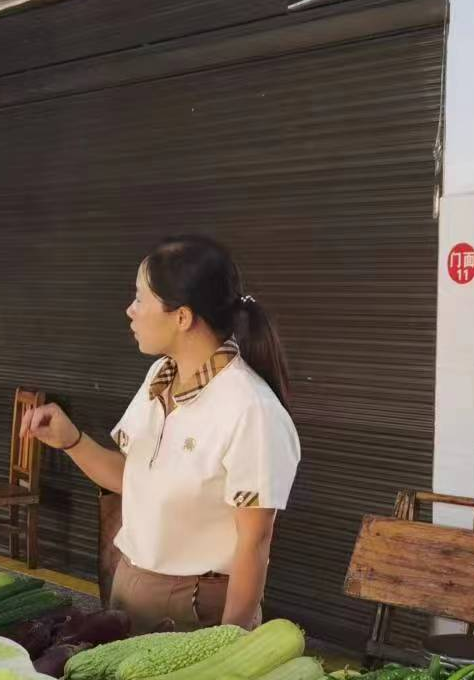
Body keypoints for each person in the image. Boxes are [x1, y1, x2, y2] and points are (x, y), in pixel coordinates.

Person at [21, 236, 300, 633]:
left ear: (182, 317)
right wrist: (72, 441)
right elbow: (131, 478)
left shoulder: (250, 409)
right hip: (129, 586)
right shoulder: (159, 378)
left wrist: (228, 644)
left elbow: (254, 543)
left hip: (194, 609)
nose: (129, 311)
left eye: (139, 298)